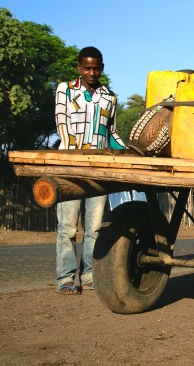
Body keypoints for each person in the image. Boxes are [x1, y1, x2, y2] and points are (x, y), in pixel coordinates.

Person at [54, 46, 125, 294]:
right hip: (70, 167)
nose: (91, 72)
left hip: (98, 169)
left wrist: (128, 152)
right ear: (79, 67)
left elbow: (112, 133)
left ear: (102, 68)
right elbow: (61, 125)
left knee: (94, 227)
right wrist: (74, 156)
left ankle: (88, 275)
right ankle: (65, 278)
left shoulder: (110, 97)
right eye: (87, 68)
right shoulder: (65, 90)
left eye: (96, 68)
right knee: (68, 227)